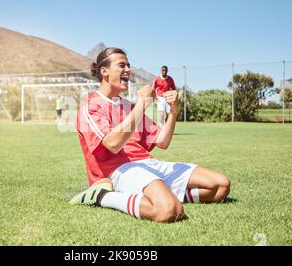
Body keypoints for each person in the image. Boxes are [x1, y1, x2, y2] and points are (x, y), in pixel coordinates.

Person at [69, 48, 230, 223]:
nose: (128, 70)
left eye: (129, 66)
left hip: (149, 164)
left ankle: (161, 192)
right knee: (169, 210)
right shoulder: (91, 105)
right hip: (119, 170)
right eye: (122, 65)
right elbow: (112, 143)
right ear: (104, 71)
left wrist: (174, 112)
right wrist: (143, 103)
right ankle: (102, 196)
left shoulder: (129, 106)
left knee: (221, 186)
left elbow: (162, 141)